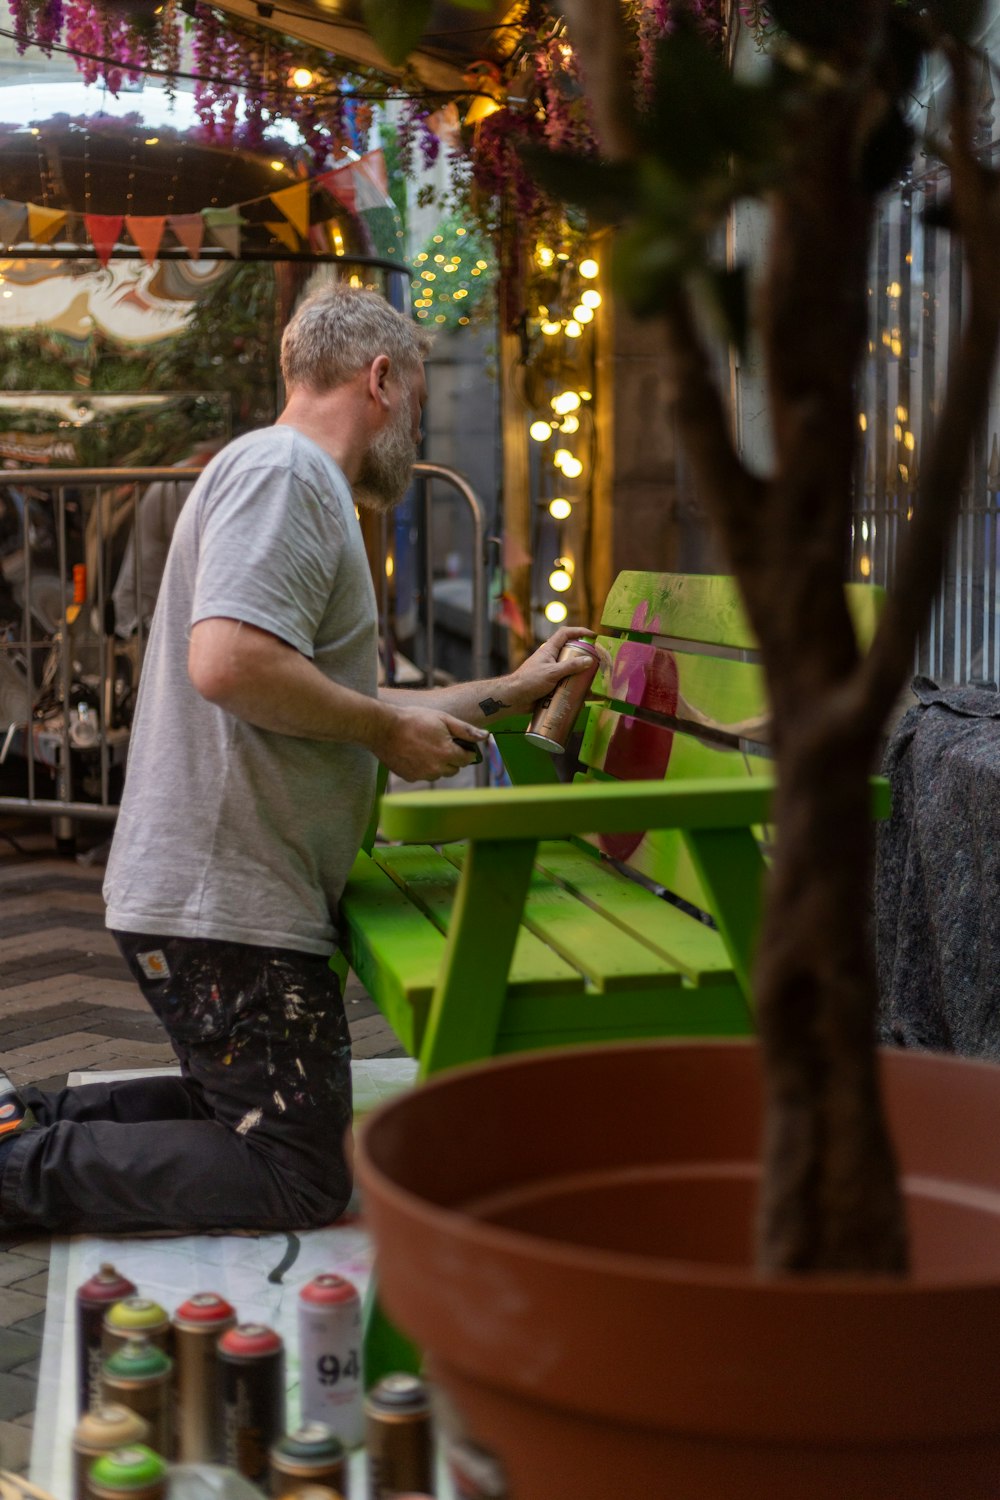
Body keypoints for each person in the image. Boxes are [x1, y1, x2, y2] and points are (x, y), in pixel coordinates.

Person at [0, 286, 593, 1235]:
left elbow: (340, 699)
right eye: (421, 400)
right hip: (227, 906)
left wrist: (505, 691)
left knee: (236, 1109)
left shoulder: (280, 473)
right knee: (292, 1172)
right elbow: (231, 663)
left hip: (224, 896)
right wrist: (380, 734)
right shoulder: (289, 474)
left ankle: (23, 1125)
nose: (416, 426)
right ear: (382, 377)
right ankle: (17, 1170)